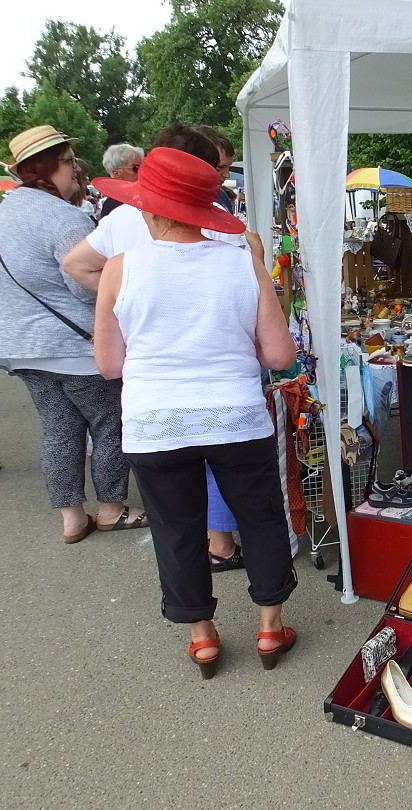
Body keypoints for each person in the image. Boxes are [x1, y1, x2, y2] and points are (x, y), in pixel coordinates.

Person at [91, 147, 299, 678]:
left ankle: (203, 638)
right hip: (234, 415)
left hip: (155, 420)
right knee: (260, 516)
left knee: (176, 527)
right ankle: (271, 626)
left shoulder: (120, 269)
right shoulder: (241, 262)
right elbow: (279, 355)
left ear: (149, 208)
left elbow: (109, 365)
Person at [63, 123, 265, 572]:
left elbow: (76, 266)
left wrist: (123, 310)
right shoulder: (232, 236)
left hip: (154, 397)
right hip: (226, 386)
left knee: (175, 521)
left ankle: (202, 628)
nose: (221, 176)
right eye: (219, 168)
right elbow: (269, 336)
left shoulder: (120, 229)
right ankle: (225, 548)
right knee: (241, 488)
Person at [0, 125, 147, 541]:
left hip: (21, 347)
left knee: (59, 428)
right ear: (47, 167)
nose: (77, 171)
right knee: (111, 423)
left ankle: (72, 517)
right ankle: (111, 508)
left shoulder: (4, 212)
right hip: (72, 344)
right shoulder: (64, 216)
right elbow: (86, 283)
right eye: (70, 162)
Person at [98, 144, 144, 220]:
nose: (142, 172)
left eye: (144, 167)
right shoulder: (113, 205)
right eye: (136, 168)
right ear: (116, 174)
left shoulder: (138, 197)